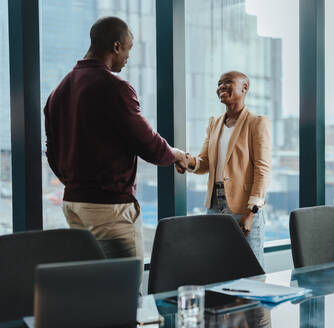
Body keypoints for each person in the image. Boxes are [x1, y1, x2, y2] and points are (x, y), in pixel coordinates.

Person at [43, 17, 189, 270]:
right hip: (109, 208)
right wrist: (176, 154)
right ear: (116, 46)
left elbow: (52, 152)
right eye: (129, 49)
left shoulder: (59, 90)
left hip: (74, 205)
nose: (128, 57)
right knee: (126, 290)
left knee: (94, 287)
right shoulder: (115, 87)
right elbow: (147, 142)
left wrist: (76, 183)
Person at [184, 71, 271, 267]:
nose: (221, 87)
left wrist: (250, 213)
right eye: (219, 84)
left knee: (251, 269)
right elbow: (205, 163)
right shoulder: (214, 123)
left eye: (228, 82)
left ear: (245, 87)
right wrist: (189, 162)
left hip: (244, 209)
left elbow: (263, 171)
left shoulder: (256, 122)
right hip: (215, 206)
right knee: (217, 267)